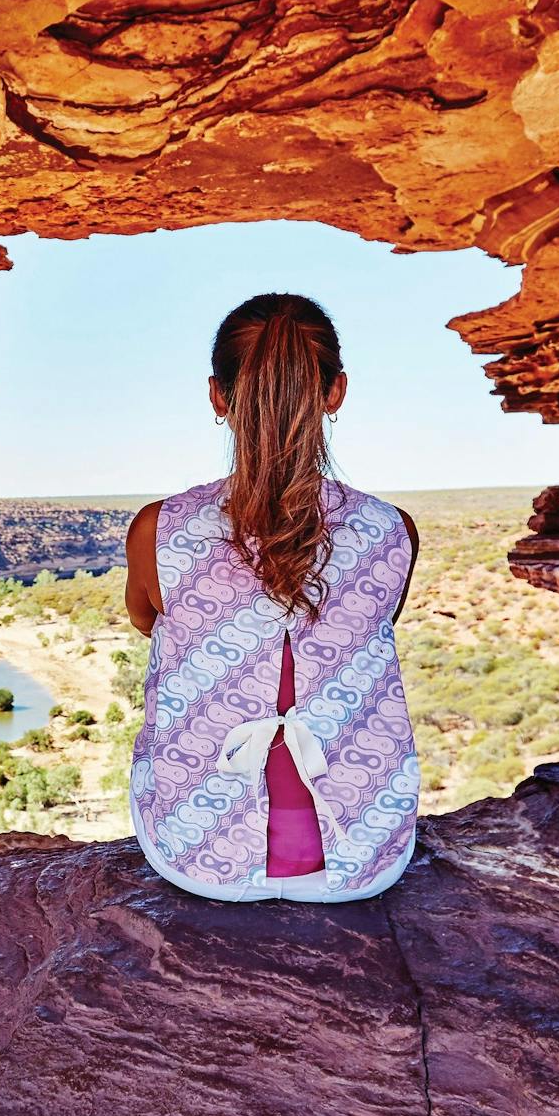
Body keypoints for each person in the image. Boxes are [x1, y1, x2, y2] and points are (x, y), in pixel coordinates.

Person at [124, 293, 420, 902]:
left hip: (201, 849)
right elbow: (379, 623)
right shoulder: (393, 530)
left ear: (217, 396)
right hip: (361, 849)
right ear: (336, 392)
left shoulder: (160, 529)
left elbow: (147, 622)